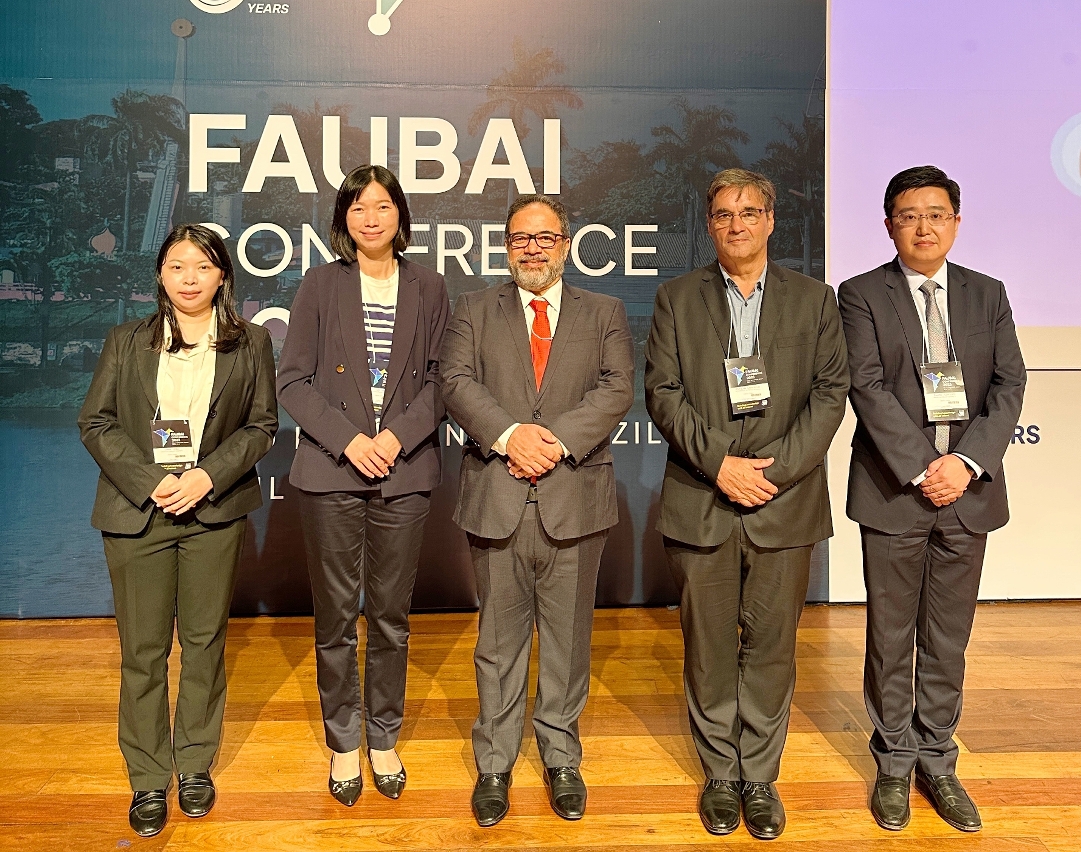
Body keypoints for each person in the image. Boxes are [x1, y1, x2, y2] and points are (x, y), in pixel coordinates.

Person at [645, 168, 849, 840]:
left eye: (749, 212)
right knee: (707, 648)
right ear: (710, 225)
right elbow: (663, 394)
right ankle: (719, 775)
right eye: (723, 215)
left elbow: (830, 395)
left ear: (770, 221)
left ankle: (758, 777)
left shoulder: (815, 300)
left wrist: (774, 473)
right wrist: (721, 466)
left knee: (770, 648)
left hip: (783, 504)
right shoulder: (677, 298)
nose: (737, 225)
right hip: (702, 498)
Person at [837, 165, 1025, 833]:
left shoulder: (987, 293)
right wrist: (924, 468)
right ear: (889, 225)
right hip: (896, 492)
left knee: (948, 637)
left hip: (967, 492)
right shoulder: (860, 294)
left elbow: (1009, 385)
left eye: (936, 214)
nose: (924, 227)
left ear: (956, 222)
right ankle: (893, 762)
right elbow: (866, 387)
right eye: (909, 216)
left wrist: (965, 464)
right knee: (891, 636)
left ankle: (938, 762)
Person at [78, 224, 278, 838]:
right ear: (161, 275)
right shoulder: (125, 340)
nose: (189, 278)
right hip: (139, 512)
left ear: (222, 276)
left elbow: (261, 425)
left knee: (204, 643)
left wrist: (207, 477)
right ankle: (147, 777)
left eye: (202, 267)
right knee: (142, 653)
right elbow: (96, 422)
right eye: (176, 266)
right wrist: (151, 480)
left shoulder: (252, 343)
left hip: (211, 514)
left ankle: (193, 765)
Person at [441, 194, 634, 827]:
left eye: (545, 238)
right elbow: (456, 383)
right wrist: (510, 437)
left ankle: (561, 757)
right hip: (497, 495)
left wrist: (551, 441)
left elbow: (617, 388)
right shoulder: (474, 310)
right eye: (521, 239)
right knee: (497, 643)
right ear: (506, 247)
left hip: (574, 497)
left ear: (566, 245)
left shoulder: (603, 312)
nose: (532, 249)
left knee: (568, 640)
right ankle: (494, 762)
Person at [276, 164, 450, 807]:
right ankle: (344, 741)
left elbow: (444, 380)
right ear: (342, 219)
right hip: (333, 470)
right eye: (357, 207)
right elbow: (292, 380)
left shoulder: (430, 286)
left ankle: (383, 736)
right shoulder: (321, 284)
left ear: (400, 214)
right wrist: (348, 439)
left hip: (404, 470)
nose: (370, 218)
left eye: (381, 206)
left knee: (391, 616)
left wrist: (396, 437)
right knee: (335, 617)